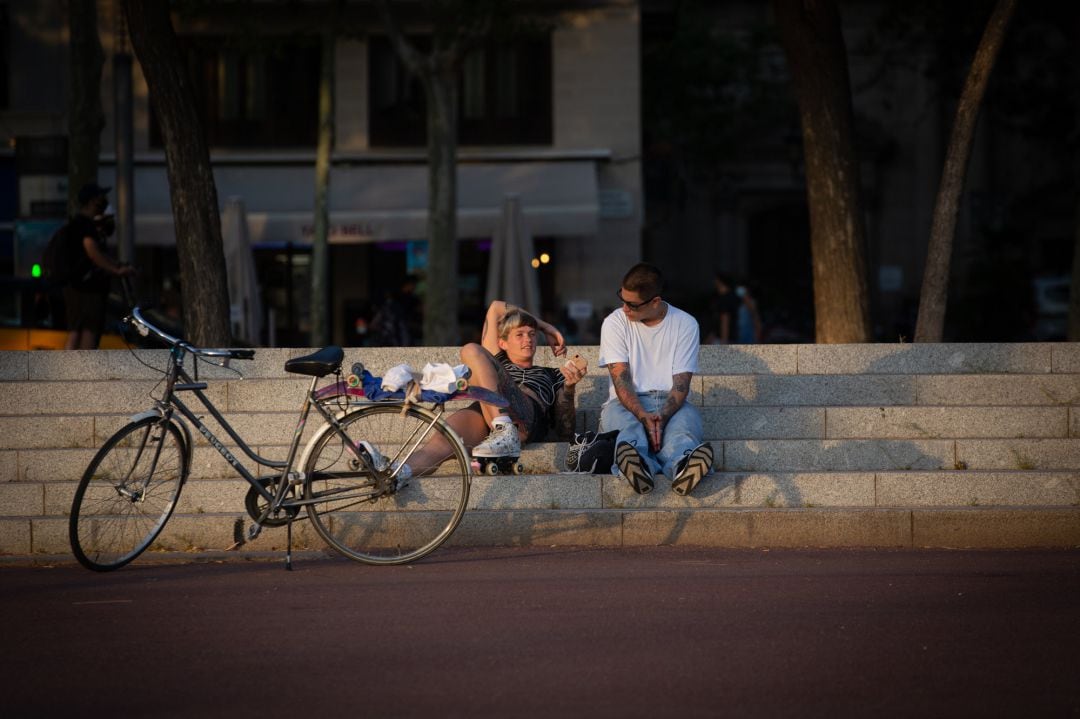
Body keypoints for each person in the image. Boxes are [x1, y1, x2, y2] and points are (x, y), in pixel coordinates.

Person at [396, 300, 586, 477]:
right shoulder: (497, 361)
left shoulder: (552, 375)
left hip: (523, 417)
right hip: (486, 413)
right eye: (519, 335)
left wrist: (569, 389)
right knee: (440, 445)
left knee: (473, 350)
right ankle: (395, 473)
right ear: (502, 343)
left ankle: (505, 431)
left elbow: (565, 433)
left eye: (532, 334)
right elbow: (495, 307)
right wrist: (545, 326)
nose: (527, 339)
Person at [599, 262, 712, 495]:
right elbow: (621, 380)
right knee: (628, 430)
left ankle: (683, 464)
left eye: (632, 304)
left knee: (682, 429)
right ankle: (637, 465)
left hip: (671, 402)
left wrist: (661, 417)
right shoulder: (614, 322)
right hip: (625, 403)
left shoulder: (686, 324)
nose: (625, 307)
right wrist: (643, 415)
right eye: (622, 298)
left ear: (655, 302)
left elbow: (681, 384)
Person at [62, 183, 136, 349]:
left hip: (76, 287)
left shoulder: (76, 224)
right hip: (87, 289)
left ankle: (69, 371)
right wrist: (116, 270)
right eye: (99, 198)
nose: (103, 202)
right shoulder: (85, 225)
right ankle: (84, 371)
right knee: (89, 331)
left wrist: (115, 265)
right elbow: (93, 252)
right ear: (91, 202)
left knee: (76, 331)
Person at [706, 272, 740, 344]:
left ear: (720, 281)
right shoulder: (731, 296)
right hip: (724, 338)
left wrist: (724, 341)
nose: (714, 282)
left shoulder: (725, 298)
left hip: (723, 339)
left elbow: (725, 319)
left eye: (715, 280)